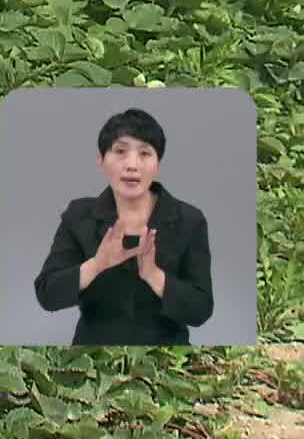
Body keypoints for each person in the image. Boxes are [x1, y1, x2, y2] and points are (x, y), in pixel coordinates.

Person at [32, 107, 215, 345]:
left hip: (167, 354)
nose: (132, 165)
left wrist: (154, 275)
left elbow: (200, 310)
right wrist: (96, 265)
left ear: (158, 164)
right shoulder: (79, 216)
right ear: (100, 159)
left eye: (144, 154)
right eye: (120, 151)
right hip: (93, 351)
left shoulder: (189, 221)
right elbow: (47, 294)